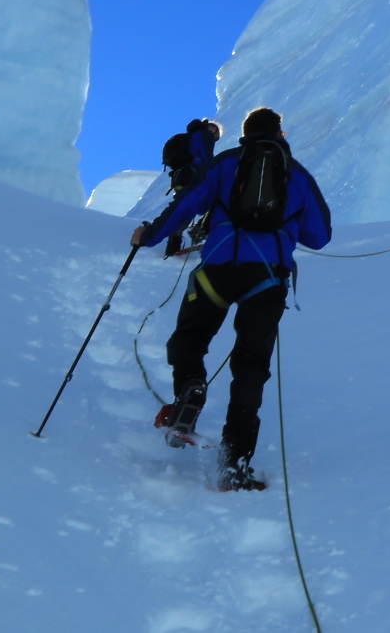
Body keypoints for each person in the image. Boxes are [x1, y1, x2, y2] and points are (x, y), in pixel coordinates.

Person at [131, 107, 332, 491]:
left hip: (217, 272)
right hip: (267, 280)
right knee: (250, 366)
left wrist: (150, 235)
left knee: (188, 340)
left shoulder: (226, 163)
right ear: (280, 134)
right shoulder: (297, 173)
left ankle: (190, 389)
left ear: (244, 135)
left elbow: (185, 206)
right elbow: (320, 236)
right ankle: (235, 461)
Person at [158, 118, 222, 257]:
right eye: (214, 130)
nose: (214, 133)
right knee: (218, 198)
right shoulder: (205, 136)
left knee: (186, 208)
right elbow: (207, 159)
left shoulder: (189, 136)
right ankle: (201, 229)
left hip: (179, 178)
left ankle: (173, 242)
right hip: (193, 176)